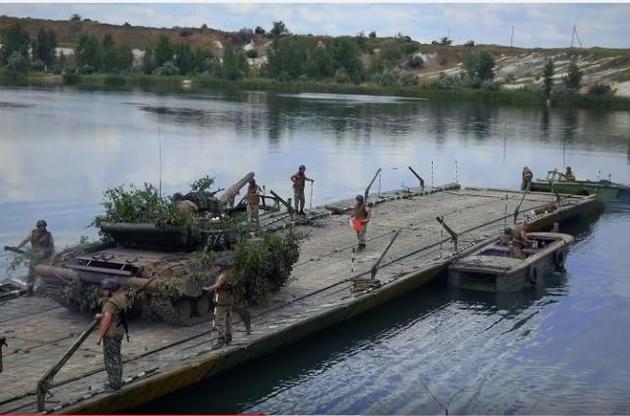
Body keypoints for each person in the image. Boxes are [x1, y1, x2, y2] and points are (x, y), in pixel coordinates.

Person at [203, 256, 251, 350]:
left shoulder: (222, 275)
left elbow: (218, 285)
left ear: (223, 267)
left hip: (222, 299)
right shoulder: (230, 274)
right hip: (229, 299)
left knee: (219, 320)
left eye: (219, 266)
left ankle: (221, 340)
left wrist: (208, 289)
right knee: (228, 319)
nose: (217, 268)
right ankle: (228, 337)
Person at [95, 278, 128, 391]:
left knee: (110, 359)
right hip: (119, 332)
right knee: (117, 357)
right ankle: (117, 380)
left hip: (111, 334)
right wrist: (102, 315)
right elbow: (115, 314)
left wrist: (99, 336)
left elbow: (107, 320)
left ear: (110, 290)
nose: (103, 292)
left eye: (104, 289)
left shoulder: (110, 302)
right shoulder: (120, 298)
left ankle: (114, 384)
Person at [15, 219, 55, 294]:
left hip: (45, 257)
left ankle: (44, 290)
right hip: (34, 256)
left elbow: (52, 246)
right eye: (40, 226)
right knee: (31, 274)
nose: (42, 228)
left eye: (43, 226)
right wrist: (18, 247)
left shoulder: (48, 235)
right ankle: (30, 290)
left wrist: (53, 256)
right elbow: (25, 240)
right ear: (38, 227)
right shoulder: (33, 233)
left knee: (44, 273)